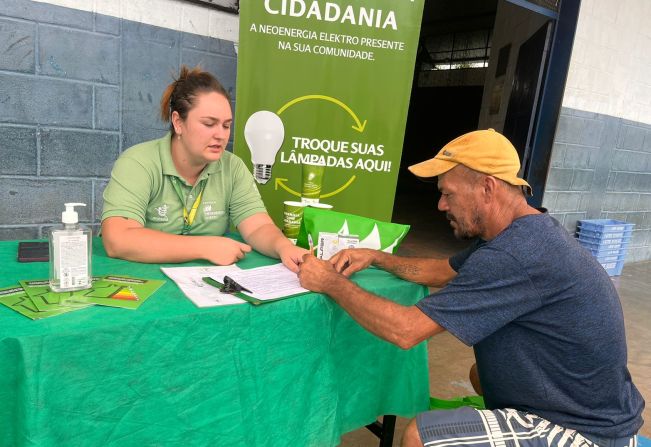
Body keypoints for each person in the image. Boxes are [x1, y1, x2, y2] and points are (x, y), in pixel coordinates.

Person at [297, 129, 644, 447]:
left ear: (487, 188)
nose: (441, 205)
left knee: (421, 436)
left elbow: (406, 330)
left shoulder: (515, 254)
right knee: (483, 375)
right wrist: (375, 257)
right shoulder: (520, 231)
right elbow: (440, 270)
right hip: (592, 407)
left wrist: (330, 283)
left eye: (448, 194)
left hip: (585, 433)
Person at [102, 66, 306, 271]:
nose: (221, 135)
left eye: (226, 125)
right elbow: (118, 240)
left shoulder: (232, 167)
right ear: (178, 122)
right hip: (141, 284)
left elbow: (258, 226)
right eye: (209, 124)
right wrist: (205, 247)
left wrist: (284, 247)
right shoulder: (138, 162)